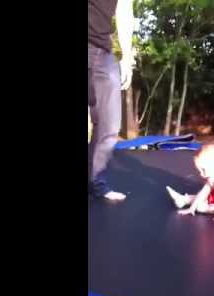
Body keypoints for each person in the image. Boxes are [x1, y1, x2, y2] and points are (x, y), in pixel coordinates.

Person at [88, 0, 134, 200]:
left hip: (101, 50)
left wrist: (126, 57)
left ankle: (96, 182)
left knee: (110, 124)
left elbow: (124, 12)